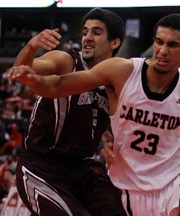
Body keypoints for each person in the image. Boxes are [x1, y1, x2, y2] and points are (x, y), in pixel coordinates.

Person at [8, 13, 180, 216]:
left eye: (172, 45)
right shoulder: (114, 70)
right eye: (159, 42)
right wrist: (32, 79)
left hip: (176, 178)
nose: (163, 50)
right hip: (115, 180)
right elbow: (54, 84)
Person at [10, 8, 126, 216]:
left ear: (114, 43)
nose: (87, 38)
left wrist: (112, 142)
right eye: (85, 32)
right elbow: (23, 68)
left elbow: (124, 124)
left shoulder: (117, 83)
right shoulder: (67, 61)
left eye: (96, 32)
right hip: (41, 167)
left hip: (81, 169)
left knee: (124, 208)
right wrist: (32, 46)